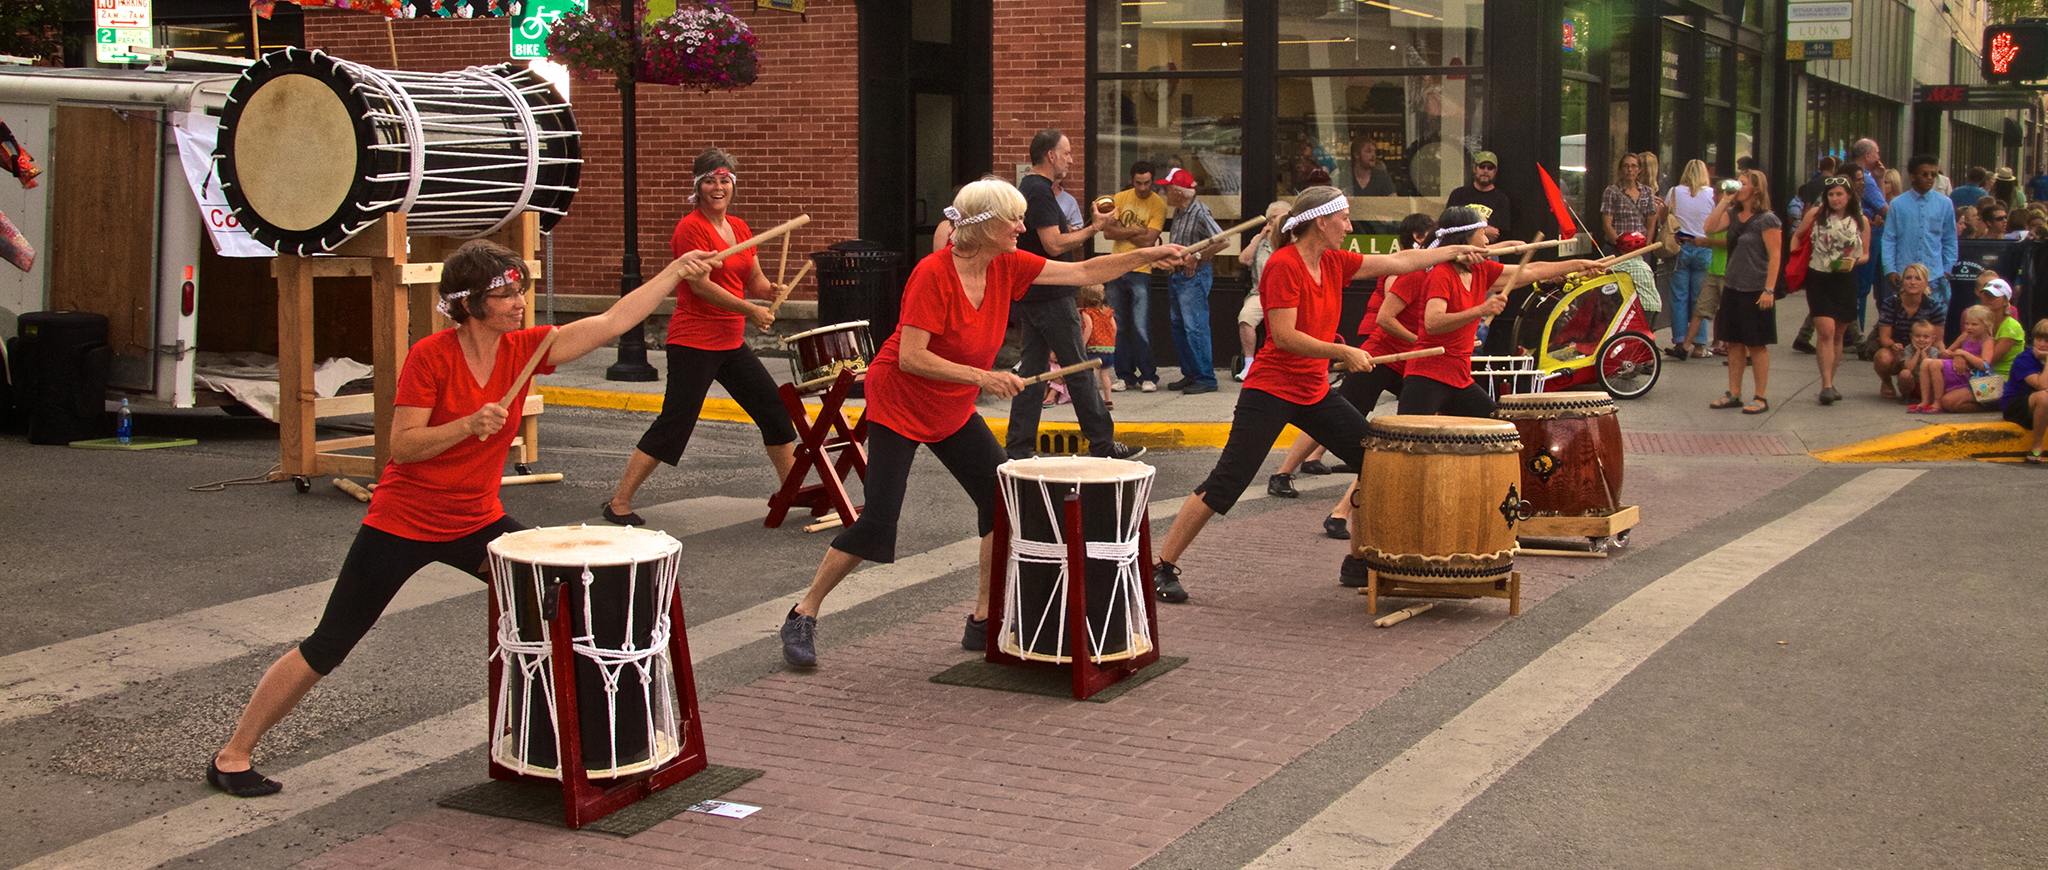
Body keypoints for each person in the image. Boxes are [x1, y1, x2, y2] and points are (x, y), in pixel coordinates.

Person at [206, 241, 717, 797]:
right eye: (504, 294)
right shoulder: (432, 356)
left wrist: (673, 272)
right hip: (402, 523)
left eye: (519, 290)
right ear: (470, 304)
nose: (519, 302)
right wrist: (468, 424)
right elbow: (402, 447)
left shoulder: (524, 349)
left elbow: (614, 319)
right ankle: (233, 755)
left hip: (478, 524)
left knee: (575, 595)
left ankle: (576, 746)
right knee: (329, 643)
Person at [778, 178, 1183, 668]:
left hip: (951, 406)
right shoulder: (932, 274)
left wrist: (1145, 256)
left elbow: (1084, 271)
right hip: (901, 402)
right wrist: (984, 378)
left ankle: (982, 619)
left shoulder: (1008, 265)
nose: (1021, 226)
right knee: (878, 523)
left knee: (1001, 505)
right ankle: (804, 612)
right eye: (1012, 219)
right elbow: (910, 358)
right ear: (985, 225)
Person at [1146, 188, 1488, 604]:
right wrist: (1342, 351)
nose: (1348, 226)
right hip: (1271, 387)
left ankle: (1358, 561)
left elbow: (1400, 261)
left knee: (1375, 461)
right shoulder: (1282, 265)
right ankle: (1161, 566)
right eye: (1343, 218)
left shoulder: (1334, 261)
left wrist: (1448, 252)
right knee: (1227, 482)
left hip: (1313, 389)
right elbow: (1286, 337)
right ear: (1320, 222)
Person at [604, 149, 797, 526]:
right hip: (693, 340)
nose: (718, 186)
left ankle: (791, 491)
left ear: (733, 186)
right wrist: (750, 310)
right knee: (676, 423)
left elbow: (751, 279)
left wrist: (768, 290)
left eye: (724, 180)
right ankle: (619, 503)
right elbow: (701, 286)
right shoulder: (690, 229)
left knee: (773, 410)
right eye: (710, 180)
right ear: (698, 186)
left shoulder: (739, 227)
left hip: (729, 341)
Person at [1270, 212, 1436, 519]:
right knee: (1336, 412)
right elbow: (1386, 317)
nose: (1349, 226)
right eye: (1344, 219)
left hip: (1407, 362)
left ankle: (1329, 473)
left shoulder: (1438, 275)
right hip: (1379, 355)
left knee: (1354, 418)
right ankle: (1284, 471)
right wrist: (1418, 343)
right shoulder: (1412, 273)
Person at [1006, 128, 1145, 461]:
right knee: (1078, 370)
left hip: (1038, 293)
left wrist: (1088, 226)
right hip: (1050, 296)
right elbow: (1053, 244)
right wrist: (1095, 228)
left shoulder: (1036, 189)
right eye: (1066, 153)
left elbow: (1052, 239)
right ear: (1050, 156)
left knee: (1033, 373)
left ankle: (1018, 447)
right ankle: (1102, 443)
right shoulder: (1038, 191)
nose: (1070, 159)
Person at [1395, 206, 1602, 417]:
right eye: (1482, 233)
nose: (1487, 241)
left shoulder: (1481, 270)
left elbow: (1530, 270)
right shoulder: (1442, 273)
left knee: (1497, 429)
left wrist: (1577, 265)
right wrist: (1481, 310)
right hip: (1428, 375)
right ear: (1466, 237)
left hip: (1459, 377)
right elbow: (1433, 323)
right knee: (1405, 442)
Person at [1704, 169, 1781, 415]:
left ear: (1756, 189)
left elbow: (1775, 255)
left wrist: (1769, 289)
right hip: (1733, 286)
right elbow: (1709, 228)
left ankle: (1761, 396)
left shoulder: (1767, 219)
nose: (1738, 186)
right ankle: (1734, 393)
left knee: (1756, 343)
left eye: (1743, 183)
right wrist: (1725, 200)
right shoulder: (1733, 214)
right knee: (1734, 342)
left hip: (1756, 288)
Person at [1789, 175, 1870, 405]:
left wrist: (1855, 261)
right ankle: (1826, 385)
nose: (1835, 198)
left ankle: (1831, 382)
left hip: (1846, 278)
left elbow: (1866, 253)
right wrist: (1797, 260)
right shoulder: (1815, 215)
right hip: (1819, 276)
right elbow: (1796, 236)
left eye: (1839, 194)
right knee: (1825, 331)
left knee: (1839, 335)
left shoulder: (1861, 220)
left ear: (1849, 196)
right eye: (1831, 194)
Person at [1102, 161, 1168, 392]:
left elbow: (1149, 241)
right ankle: (1124, 375)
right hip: (1117, 266)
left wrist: (1124, 229)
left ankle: (1148, 375)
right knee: (1117, 325)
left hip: (1141, 269)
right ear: (1132, 180)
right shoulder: (1119, 198)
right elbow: (1108, 232)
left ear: (1153, 181)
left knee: (1140, 325)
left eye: (1147, 183)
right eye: (1138, 183)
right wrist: (1137, 230)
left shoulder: (1158, 204)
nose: (1142, 188)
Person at [1159, 165, 1224, 393]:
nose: (1164, 194)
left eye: (1167, 189)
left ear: (1178, 192)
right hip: (1178, 276)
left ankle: (1206, 377)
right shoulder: (1180, 211)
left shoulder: (1199, 211)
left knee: (1195, 327)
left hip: (1194, 277)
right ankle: (1191, 373)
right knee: (1180, 327)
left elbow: (1222, 241)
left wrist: (1196, 255)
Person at [1881, 155, 1959, 335]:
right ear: (1912, 176)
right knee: (1902, 327)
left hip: (1935, 275)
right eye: (1925, 174)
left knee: (1934, 329)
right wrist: (1890, 269)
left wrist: (1947, 269)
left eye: (1934, 174)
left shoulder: (1945, 204)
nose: (1930, 178)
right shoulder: (1898, 204)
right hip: (1903, 276)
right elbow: (1889, 239)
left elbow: (1949, 239)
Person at [1234, 200, 1295, 382]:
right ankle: (1249, 363)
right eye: (1270, 219)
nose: (1272, 222)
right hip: (1260, 293)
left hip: (1286, 293)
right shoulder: (1260, 240)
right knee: (1245, 318)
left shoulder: (1293, 240)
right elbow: (1244, 259)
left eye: (1276, 218)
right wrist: (1260, 236)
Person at [1661, 159, 1717, 358]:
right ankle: (1699, 345)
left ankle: (1679, 341)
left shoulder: (1674, 192)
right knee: (1699, 298)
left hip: (1680, 248)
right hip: (1704, 247)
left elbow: (1665, 217)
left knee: (1678, 296)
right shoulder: (1711, 194)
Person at [1871, 263, 1948, 402]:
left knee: (1940, 358)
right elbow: (1884, 338)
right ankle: (1887, 381)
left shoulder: (1935, 307)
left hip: (1924, 351)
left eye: (1918, 278)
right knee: (1883, 357)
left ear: (1925, 282)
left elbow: (1938, 340)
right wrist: (1894, 346)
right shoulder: (1891, 303)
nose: (1912, 282)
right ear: (1902, 281)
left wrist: (1943, 357)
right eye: (1908, 278)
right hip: (1898, 350)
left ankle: (1915, 389)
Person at [1913, 304, 1997, 414]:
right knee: (1926, 362)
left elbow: (1984, 364)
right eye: (1967, 323)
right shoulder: (1965, 336)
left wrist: (1963, 353)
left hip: (1972, 374)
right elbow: (1947, 352)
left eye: (1974, 324)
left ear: (1986, 325)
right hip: (1958, 368)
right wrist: (1949, 353)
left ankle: (1938, 402)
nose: (1969, 327)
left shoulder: (1987, 341)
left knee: (1935, 365)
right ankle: (1925, 401)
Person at [2001, 319, 2048, 463]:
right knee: (2044, 397)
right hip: (2017, 406)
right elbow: (2042, 385)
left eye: (2047, 340)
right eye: (2038, 339)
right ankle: (2036, 447)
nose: (2041, 344)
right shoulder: (2024, 359)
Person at [1600, 152, 1660, 250]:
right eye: (1626, 166)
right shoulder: (1611, 191)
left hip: (1640, 247)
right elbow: (1607, 224)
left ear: (1639, 169)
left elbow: (1651, 221)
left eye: (1634, 166)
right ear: (1621, 169)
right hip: (1618, 247)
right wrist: (1621, 245)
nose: (1630, 170)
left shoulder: (1647, 191)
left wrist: (1647, 243)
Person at [1445, 150, 1512, 237]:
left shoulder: (1501, 200)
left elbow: (1494, 234)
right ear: (1474, 168)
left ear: (1495, 171)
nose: (1485, 171)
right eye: (1482, 167)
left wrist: (1464, 228)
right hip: (1460, 248)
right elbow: (1448, 226)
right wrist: (1484, 230)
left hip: (1488, 249)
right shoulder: (1458, 194)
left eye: (1490, 168)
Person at [1078, 283, 1118, 407]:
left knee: (1092, 374)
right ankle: (1108, 399)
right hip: (1108, 347)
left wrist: (1082, 343)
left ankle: (1093, 399)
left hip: (1094, 347)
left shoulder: (1087, 312)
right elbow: (1114, 327)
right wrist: (1111, 340)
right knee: (1105, 374)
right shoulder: (1107, 311)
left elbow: (1089, 326)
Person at [1896, 319, 1944, 410]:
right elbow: (1909, 367)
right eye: (1917, 336)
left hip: (1927, 385)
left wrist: (1924, 353)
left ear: (1933, 338)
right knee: (1904, 373)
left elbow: (1930, 369)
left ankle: (1927, 398)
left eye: (1926, 337)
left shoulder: (1933, 351)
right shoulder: (1909, 349)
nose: (1921, 339)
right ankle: (1906, 396)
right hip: (1912, 384)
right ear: (1911, 337)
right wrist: (1918, 352)